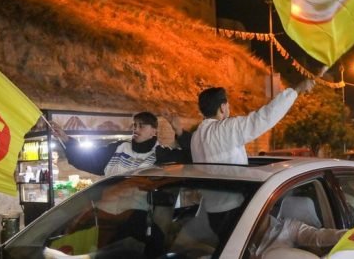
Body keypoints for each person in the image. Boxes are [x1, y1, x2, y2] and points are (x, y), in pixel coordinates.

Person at [190, 78, 317, 245]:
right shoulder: (224, 129)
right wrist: (296, 89)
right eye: (227, 105)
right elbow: (263, 118)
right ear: (222, 107)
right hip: (235, 212)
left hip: (213, 214)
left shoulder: (196, 137)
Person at [51, 111, 191, 176]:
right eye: (135, 125)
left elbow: (192, 157)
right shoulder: (118, 148)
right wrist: (67, 140)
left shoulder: (161, 155)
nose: (136, 129)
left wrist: (179, 132)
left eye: (141, 126)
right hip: (109, 213)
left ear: (153, 131)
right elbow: (88, 158)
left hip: (138, 217)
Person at [249, 215, 347, 259]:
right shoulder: (236, 229)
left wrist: (353, 235)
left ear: (269, 207)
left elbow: (318, 236)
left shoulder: (289, 227)